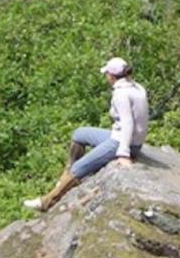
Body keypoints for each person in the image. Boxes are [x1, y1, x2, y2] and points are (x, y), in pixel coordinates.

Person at [24, 56, 149, 212]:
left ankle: (47, 202)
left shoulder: (121, 95)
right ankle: (65, 176)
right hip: (122, 137)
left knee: (79, 168)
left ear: (111, 76)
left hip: (122, 142)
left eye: (106, 74)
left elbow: (127, 123)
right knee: (79, 134)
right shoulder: (137, 87)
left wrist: (123, 153)